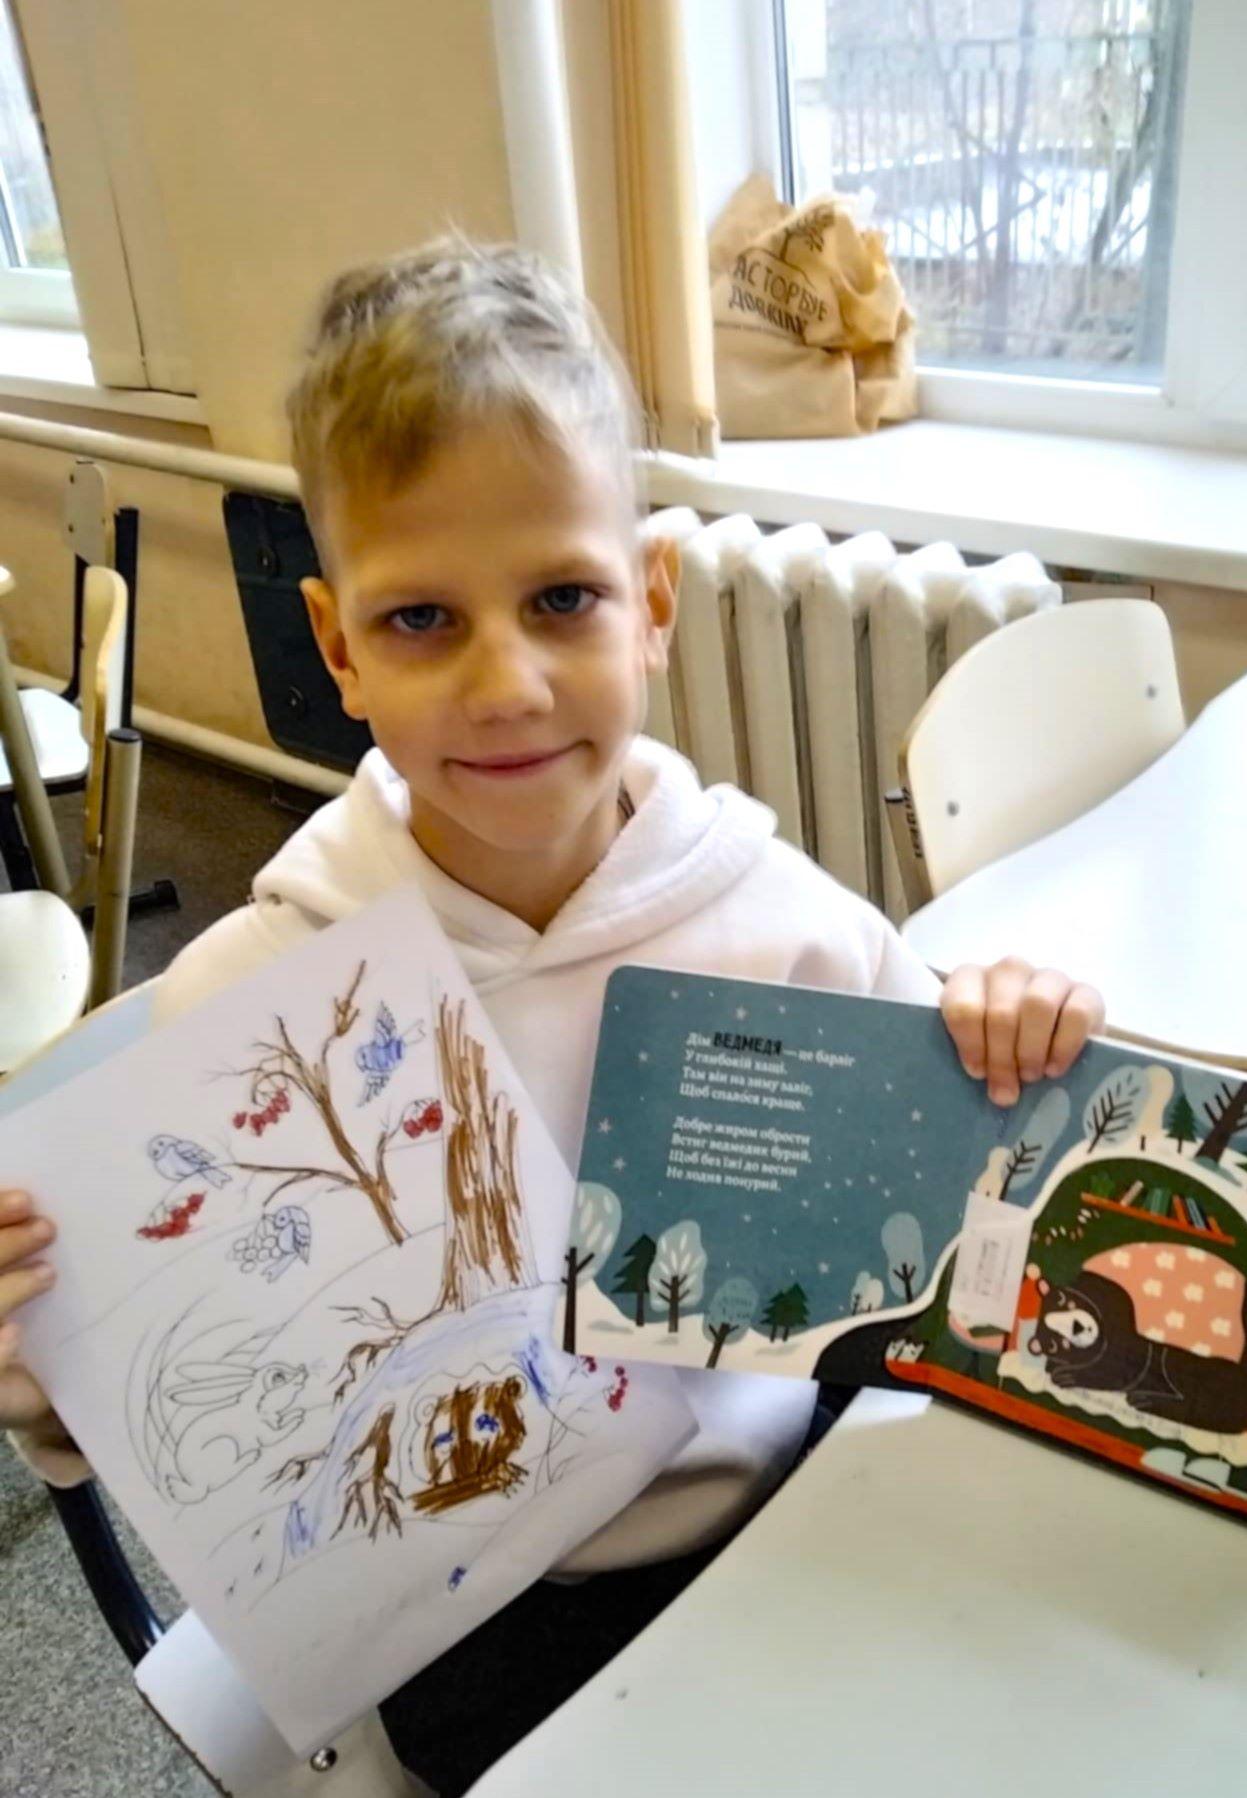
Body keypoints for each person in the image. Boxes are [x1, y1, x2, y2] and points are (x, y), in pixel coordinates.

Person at [1, 237, 1103, 1788]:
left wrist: (1003, 1028)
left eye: (562, 597)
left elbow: (967, 1200)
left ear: (649, 602)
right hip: (489, 1610)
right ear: (336, 646)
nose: (506, 681)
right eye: (421, 619)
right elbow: (169, 1409)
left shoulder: (777, 913)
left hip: (788, 1502)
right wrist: (43, 1361)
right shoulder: (249, 1006)